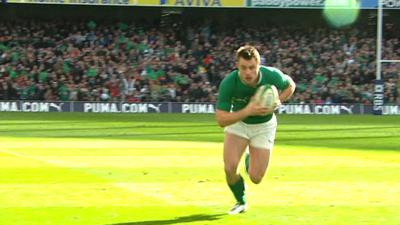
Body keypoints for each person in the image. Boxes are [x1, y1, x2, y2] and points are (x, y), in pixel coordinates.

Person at [216, 45, 296, 215]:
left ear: (258, 65)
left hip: (264, 126)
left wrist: (278, 101)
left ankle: (249, 158)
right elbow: (221, 119)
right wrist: (248, 110)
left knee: (256, 178)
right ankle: (241, 201)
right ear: (237, 65)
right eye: (243, 68)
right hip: (239, 123)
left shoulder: (271, 75)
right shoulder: (229, 83)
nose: (248, 72)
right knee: (229, 168)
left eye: (252, 67)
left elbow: (290, 85)